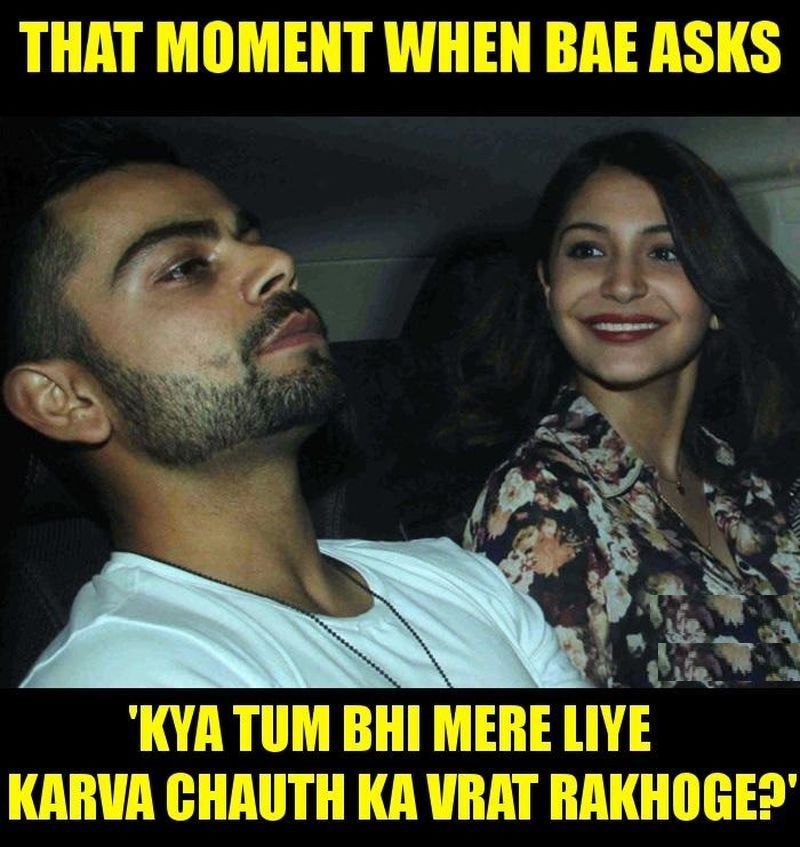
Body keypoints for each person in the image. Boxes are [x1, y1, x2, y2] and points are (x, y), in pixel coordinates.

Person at [1, 119, 587, 688]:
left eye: (250, 239)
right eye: (184, 268)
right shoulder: (123, 670)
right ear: (64, 401)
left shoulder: (459, 580)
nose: (275, 262)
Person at [464, 131, 800, 687]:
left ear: (716, 294)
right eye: (587, 250)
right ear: (547, 285)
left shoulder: (752, 483)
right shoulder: (540, 500)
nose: (622, 285)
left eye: (664, 253)